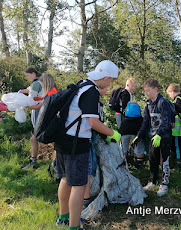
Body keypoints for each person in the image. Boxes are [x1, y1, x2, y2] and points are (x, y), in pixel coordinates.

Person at [54, 60, 121, 230]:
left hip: (62, 139)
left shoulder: (81, 84)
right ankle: (75, 226)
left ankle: (63, 218)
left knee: (65, 179)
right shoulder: (91, 91)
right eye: (111, 80)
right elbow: (93, 122)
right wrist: (113, 133)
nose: (110, 83)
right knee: (78, 185)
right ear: (106, 77)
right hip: (77, 143)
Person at [133, 79, 172, 197]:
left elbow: (166, 121)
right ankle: (152, 181)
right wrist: (138, 136)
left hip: (164, 137)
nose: (146, 93)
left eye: (148, 91)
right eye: (145, 91)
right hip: (152, 137)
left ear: (155, 89)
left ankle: (164, 184)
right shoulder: (148, 104)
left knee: (164, 160)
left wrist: (159, 135)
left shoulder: (163, 102)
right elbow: (145, 122)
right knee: (152, 159)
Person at [20, 67, 43, 170]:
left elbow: (32, 98)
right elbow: (29, 89)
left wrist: (20, 103)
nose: (27, 77)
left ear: (33, 73)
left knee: (34, 138)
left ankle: (33, 161)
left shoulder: (36, 83)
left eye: (28, 75)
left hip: (38, 110)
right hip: (41, 109)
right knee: (34, 138)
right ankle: (33, 160)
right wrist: (21, 91)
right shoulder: (38, 82)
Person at [166, 83, 181, 164]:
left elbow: (177, 110)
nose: (170, 96)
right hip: (180, 127)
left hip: (177, 128)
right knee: (178, 144)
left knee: (177, 145)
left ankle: (179, 160)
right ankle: (177, 157)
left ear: (172, 91)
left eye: (169, 94)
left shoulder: (178, 99)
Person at [119, 102, 145, 168]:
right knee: (139, 147)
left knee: (124, 147)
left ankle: (123, 163)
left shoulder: (125, 119)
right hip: (136, 133)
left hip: (124, 133)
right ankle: (138, 165)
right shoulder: (140, 119)